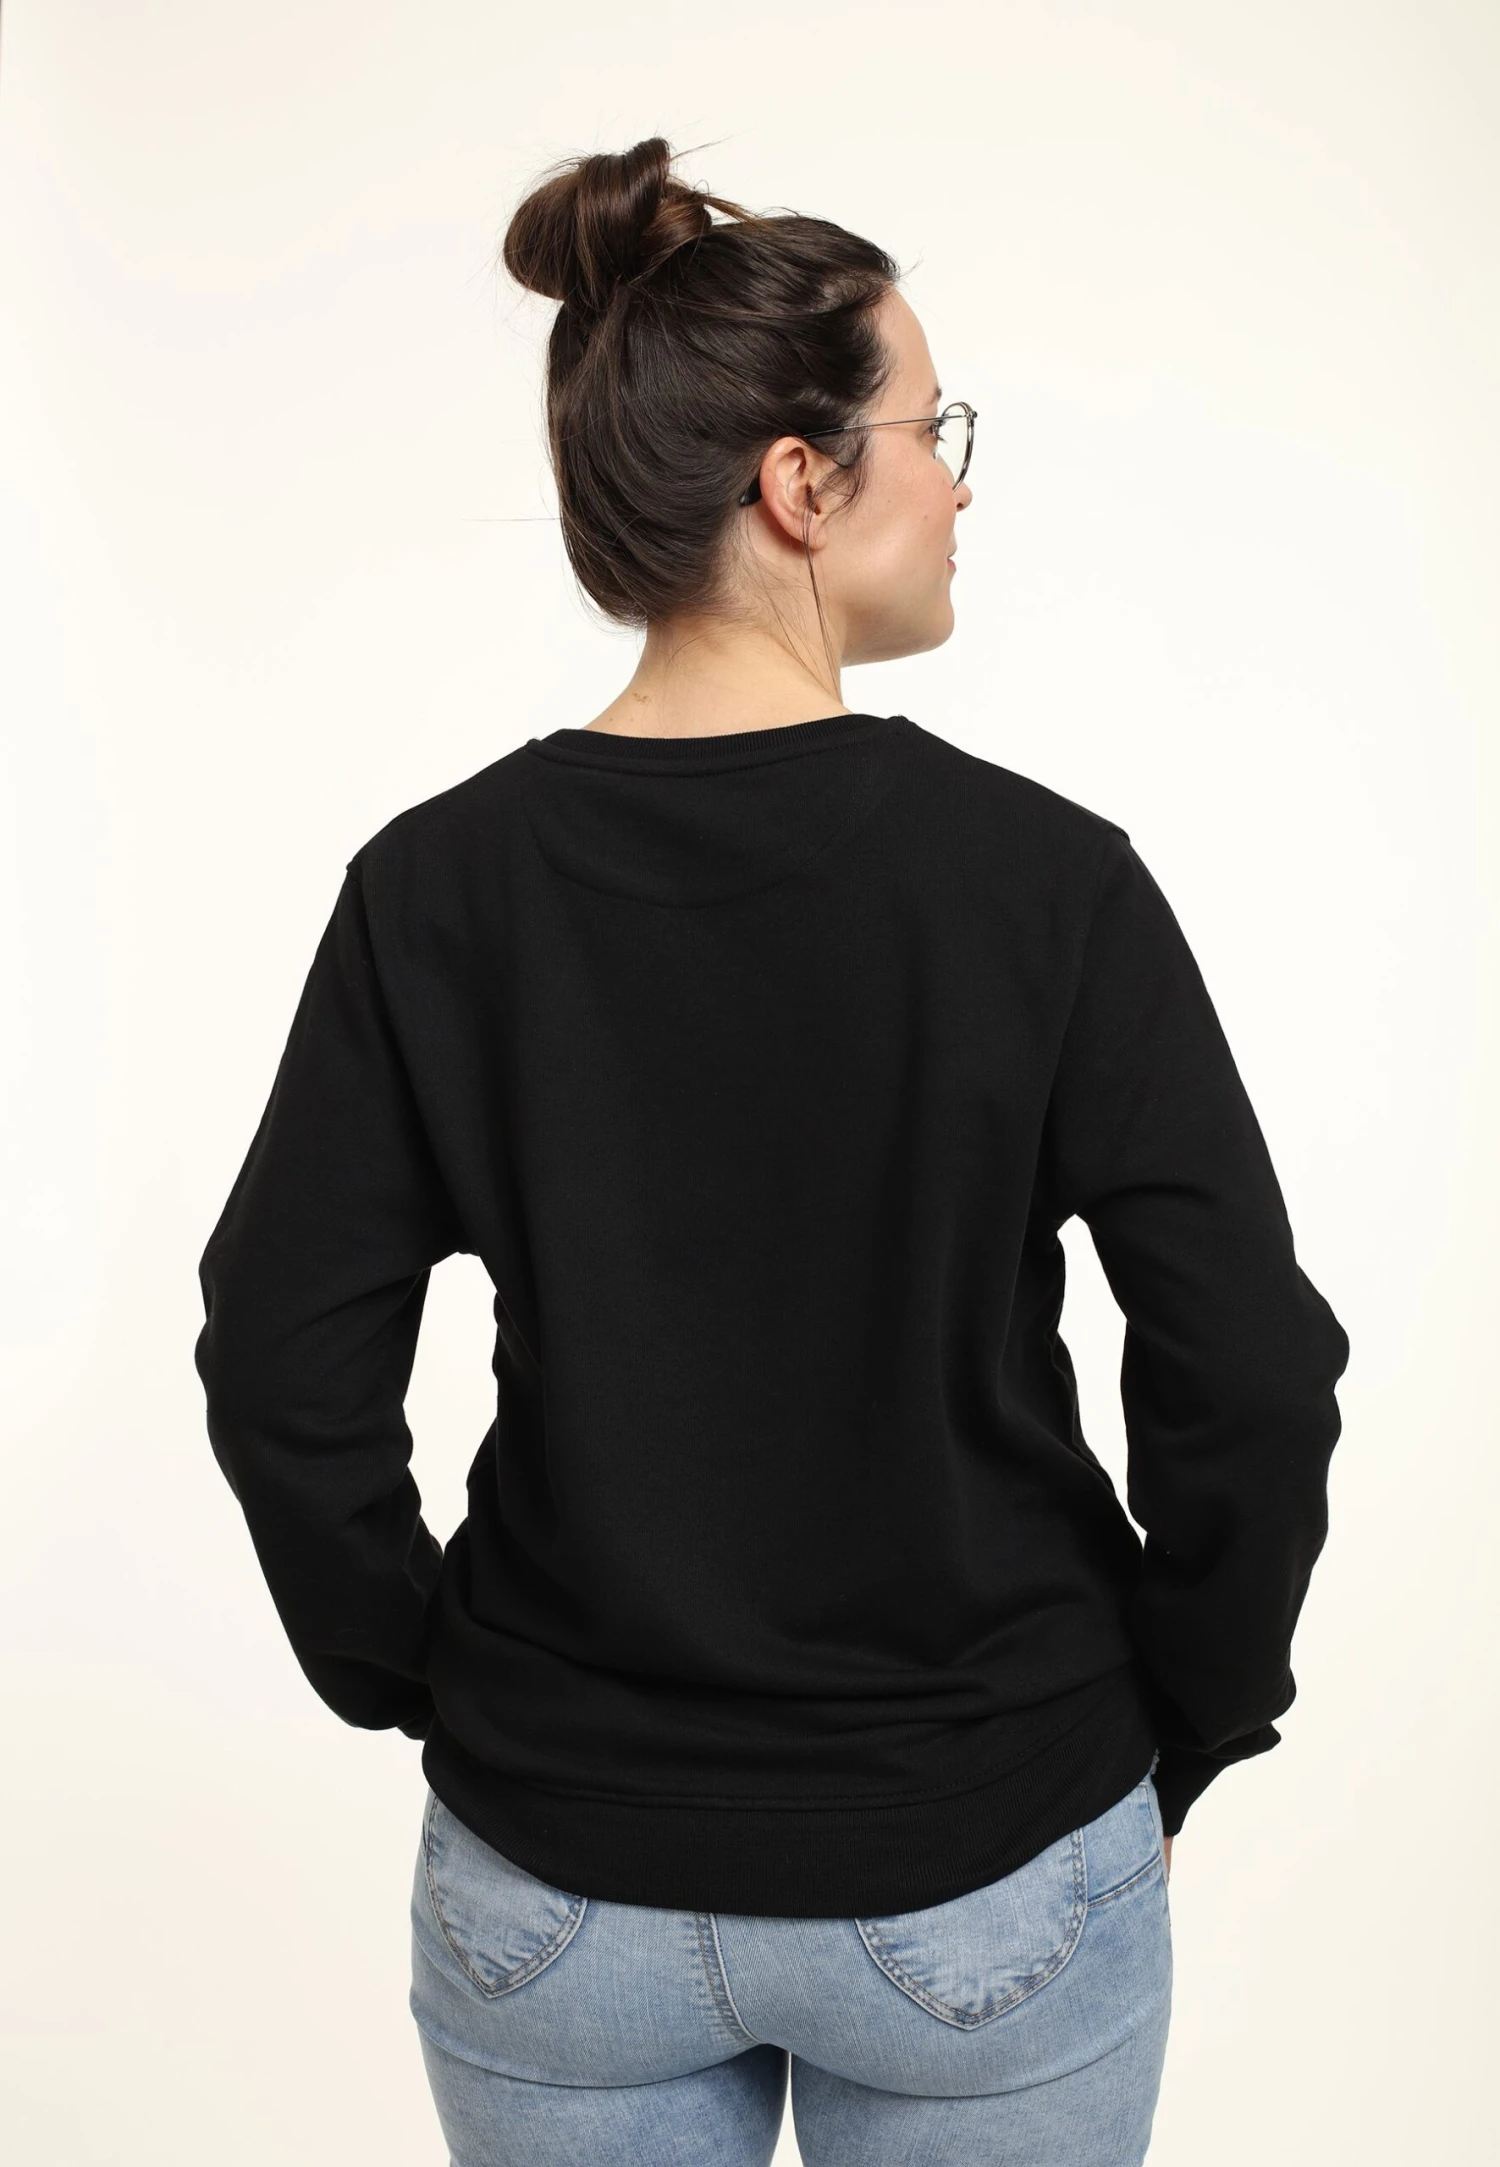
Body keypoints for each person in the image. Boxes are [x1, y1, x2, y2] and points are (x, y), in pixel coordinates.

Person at [194, 136, 1351, 2165]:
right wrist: (1192, 1714)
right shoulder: (1044, 886)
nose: (961, 486)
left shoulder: (434, 892)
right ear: (801, 485)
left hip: (559, 1887)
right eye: (932, 434)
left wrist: (432, 1680)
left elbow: (283, 1354)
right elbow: (1246, 1365)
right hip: (989, 1851)